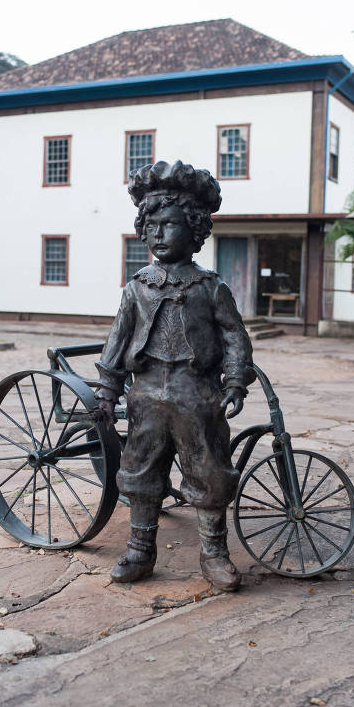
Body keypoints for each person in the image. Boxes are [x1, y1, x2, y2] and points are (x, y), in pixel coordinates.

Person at [95, 160, 255, 591]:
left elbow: (235, 336)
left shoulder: (209, 287)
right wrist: (108, 390)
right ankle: (139, 551)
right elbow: (116, 340)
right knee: (140, 472)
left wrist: (236, 381)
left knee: (208, 472)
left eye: (168, 225)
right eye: (150, 227)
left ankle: (214, 555)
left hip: (197, 395)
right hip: (145, 393)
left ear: (195, 230)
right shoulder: (137, 288)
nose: (157, 235)